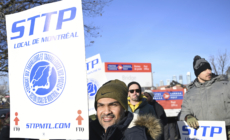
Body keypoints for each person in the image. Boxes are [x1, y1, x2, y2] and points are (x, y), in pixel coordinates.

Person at [89, 79, 162, 140]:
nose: (107, 111)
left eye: (113, 105)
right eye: (101, 105)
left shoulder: (138, 135)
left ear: (124, 107)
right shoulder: (86, 132)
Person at [180, 55, 230, 139]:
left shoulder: (226, 86)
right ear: (197, 73)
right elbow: (184, 111)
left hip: (225, 134)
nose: (209, 72)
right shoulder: (189, 93)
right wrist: (187, 116)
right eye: (204, 70)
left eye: (209, 69)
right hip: (201, 135)